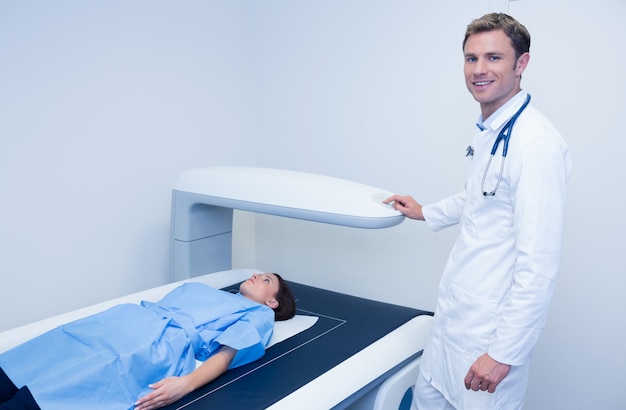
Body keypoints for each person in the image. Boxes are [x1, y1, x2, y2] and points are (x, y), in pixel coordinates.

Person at [385, 13, 572, 409]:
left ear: (521, 64)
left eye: (493, 58)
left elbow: (538, 265)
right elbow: (480, 195)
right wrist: (426, 212)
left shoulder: (536, 145)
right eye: (471, 59)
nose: (479, 69)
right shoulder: (491, 129)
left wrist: (503, 354)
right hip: (451, 327)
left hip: (488, 341)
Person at [0, 272, 296, 410]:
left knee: (69, 385)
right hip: (120, 321)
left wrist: (187, 383)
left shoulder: (258, 315)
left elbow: (229, 351)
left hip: (155, 344)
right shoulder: (213, 292)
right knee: (51, 349)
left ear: (272, 302)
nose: (257, 275)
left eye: (267, 280)